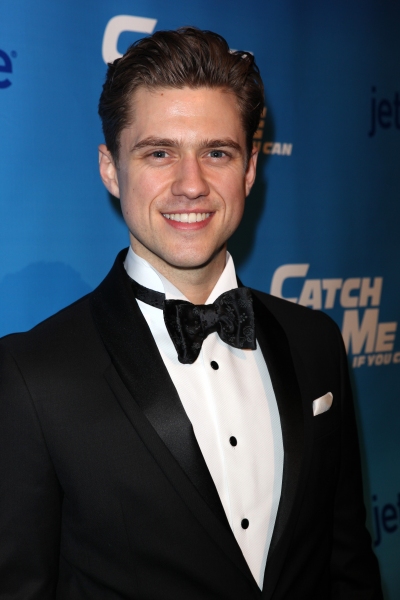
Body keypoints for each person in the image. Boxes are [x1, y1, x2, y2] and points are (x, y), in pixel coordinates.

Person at [0, 27, 383, 599]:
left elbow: (348, 567)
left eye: (217, 153)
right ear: (110, 169)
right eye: (159, 153)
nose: (191, 185)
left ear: (250, 168)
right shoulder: (32, 376)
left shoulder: (316, 341)